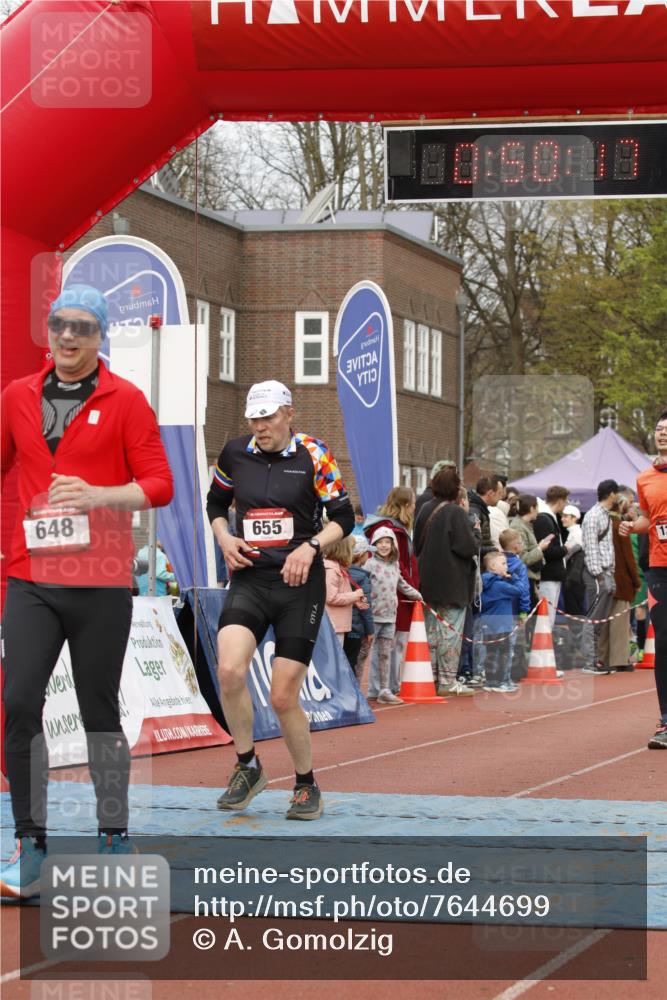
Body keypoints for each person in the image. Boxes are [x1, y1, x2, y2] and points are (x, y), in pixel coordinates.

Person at [0, 284, 174, 898]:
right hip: (30, 577)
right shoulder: (16, 396)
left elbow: (160, 484)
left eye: (81, 327)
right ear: (47, 331)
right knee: (19, 703)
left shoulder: (125, 399)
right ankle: (32, 842)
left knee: (99, 711)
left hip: (99, 579)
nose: (67, 336)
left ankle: (113, 832)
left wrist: (101, 496)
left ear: (100, 336)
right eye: (58, 325)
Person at [206, 380, 354, 819]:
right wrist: (224, 538)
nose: (260, 426)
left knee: (283, 696)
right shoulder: (235, 453)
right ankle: (247, 764)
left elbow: (342, 516)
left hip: (298, 586)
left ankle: (306, 784)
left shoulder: (315, 454)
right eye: (254, 418)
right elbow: (216, 503)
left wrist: (311, 548)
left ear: (289, 413)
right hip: (251, 579)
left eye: (268, 417)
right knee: (229, 670)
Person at [620, 410, 667, 748]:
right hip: (660, 567)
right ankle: (666, 720)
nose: (662, 433)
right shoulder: (645, 477)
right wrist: (629, 526)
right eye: (659, 428)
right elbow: (647, 521)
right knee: (663, 641)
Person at [414, 467, 480, 696]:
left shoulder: (424, 509)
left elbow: (417, 544)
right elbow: (467, 547)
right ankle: (448, 680)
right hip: (452, 581)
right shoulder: (455, 512)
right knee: (450, 633)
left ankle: (430, 675)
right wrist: (476, 532)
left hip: (427, 579)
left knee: (431, 631)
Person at [363, 486, 420, 697]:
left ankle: (386, 685)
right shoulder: (392, 531)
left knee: (390, 644)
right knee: (390, 644)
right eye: (412, 502)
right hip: (392, 596)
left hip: (398, 593)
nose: (415, 507)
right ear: (405, 505)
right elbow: (399, 564)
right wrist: (411, 586)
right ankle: (385, 686)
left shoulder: (394, 528)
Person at [581, 479, 620, 675]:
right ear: (612, 494)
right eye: (617, 493)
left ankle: (595, 659)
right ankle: (590, 660)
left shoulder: (604, 515)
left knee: (600, 618)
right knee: (594, 617)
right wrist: (599, 575)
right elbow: (591, 546)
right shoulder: (594, 515)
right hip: (598, 573)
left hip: (605, 572)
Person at [604, 494, 641, 672]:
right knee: (620, 622)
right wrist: (636, 580)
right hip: (621, 581)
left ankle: (604, 658)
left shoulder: (602, 523)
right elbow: (628, 557)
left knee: (604, 622)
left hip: (604, 579)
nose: (632, 506)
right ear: (620, 506)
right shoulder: (620, 526)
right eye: (629, 503)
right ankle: (620, 659)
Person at [479, 551, 523, 692]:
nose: (506, 566)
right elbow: (520, 590)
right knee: (504, 653)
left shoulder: (484, 583)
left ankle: (490, 681)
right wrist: (513, 578)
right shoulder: (499, 585)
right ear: (492, 566)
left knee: (491, 653)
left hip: (488, 624)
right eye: (503, 563)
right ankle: (501, 682)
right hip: (502, 626)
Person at [534, 485, 570, 628]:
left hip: (552, 575)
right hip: (547, 575)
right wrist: (565, 549)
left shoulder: (549, 517)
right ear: (560, 501)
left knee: (549, 618)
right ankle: (542, 650)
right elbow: (547, 550)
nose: (566, 505)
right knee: (546, 618)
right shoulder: (544, 519)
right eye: (566, 501)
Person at [499, 528, 531, 681]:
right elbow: (524, 590)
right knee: (514, 642)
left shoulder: (497, 562)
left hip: (498, 609)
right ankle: (511, 674)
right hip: (514, 609)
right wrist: (524, 611)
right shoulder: (519, 566)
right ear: (516, 546)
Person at [323, 536, 368, 645]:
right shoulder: (332, 570)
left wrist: (355, 600)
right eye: (351, 549)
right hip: (333, 626)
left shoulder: (338, 569)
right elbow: (331, 598)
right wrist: (354, 595)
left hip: (337, 625)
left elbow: (341, 593)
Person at [510, 494, 550, 608]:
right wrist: (540, 549)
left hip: (530, 578)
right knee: (529, 620)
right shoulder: (518, 527)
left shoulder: (525, 525)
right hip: (526, 578)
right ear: (532, 508)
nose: (538, 511)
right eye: (537, 507)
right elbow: (522, 558)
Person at [344, 534, 375, 682]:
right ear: (362, 555)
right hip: (356, 629)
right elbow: (365, 607)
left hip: (341, 627)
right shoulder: (362, 578)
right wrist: (370, 630)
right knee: (352, 662)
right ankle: (352, 695)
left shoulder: (341, 572)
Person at [468, 476, 503, 552]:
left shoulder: (479, 509)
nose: (501, 497)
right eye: (499, 493)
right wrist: (494, 549)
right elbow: (472, 545)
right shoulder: (474, 512)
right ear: (490, 493)